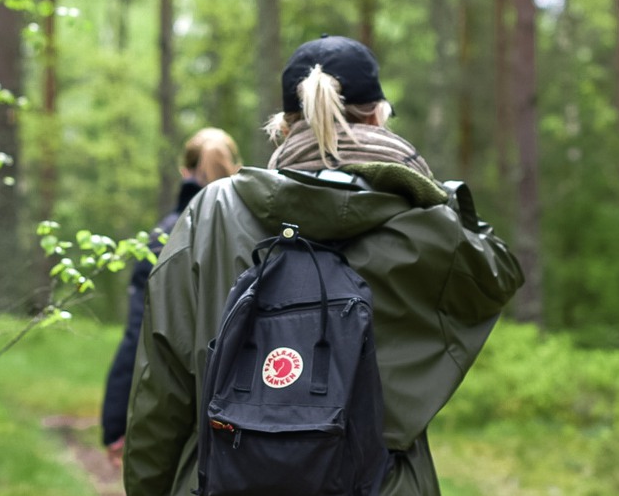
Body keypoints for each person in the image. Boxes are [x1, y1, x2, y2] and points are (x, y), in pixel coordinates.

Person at [123, 35, 524, 495]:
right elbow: (497, 273)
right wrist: (431, 189)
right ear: (377, 118)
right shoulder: (430, 225)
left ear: (283, 129)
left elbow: (162, 388)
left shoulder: (210, 213)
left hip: (221, 479)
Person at [100, 127, 242, 467]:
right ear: (236, 168)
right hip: (253, 404)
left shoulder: (167, 236)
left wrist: (116, 423)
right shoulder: (262, 230)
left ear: (183, 172)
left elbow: (140, 334)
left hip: (183, 407)